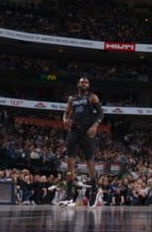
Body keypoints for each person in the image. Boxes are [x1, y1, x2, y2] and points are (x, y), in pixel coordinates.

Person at [62, 77, 104, 207]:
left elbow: (101, 113)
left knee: (89, 162)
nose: (83, 84)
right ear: (77, 84)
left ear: (88, 85)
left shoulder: (92, 97)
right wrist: (64, 120)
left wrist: (95, 126)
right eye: (81, 82)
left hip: (87, 132)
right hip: (74, 132)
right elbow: (65, 114)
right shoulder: (71, 99)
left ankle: (94, 190)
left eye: (86, 82)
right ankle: (69, 197)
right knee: (70, 162)